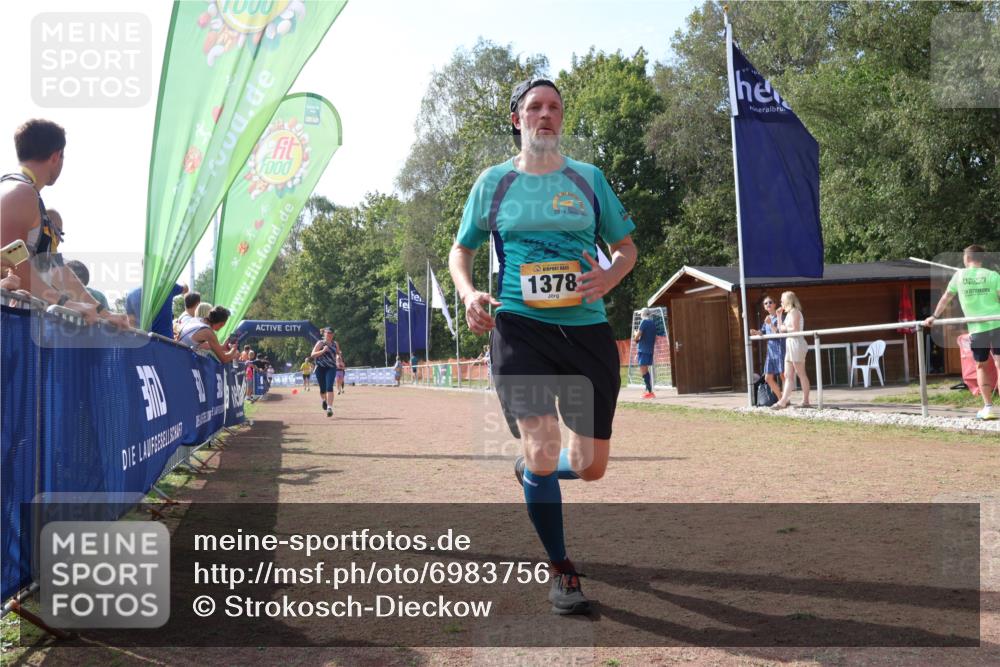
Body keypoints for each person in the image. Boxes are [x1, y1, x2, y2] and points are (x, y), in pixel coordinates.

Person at [448, 76, 637, 615]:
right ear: (518, 119)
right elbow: (461, 252)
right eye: (535, 107)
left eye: (554, 107)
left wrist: (610, 277)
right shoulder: (494, 183)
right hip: (519, 327)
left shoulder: (589, 179)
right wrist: (467, 295)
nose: (546, 114)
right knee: (543, 442)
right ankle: (562, 570)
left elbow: (625, 248)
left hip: (585, 330)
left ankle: (534, 473)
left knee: (591, 465)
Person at [0, 120, 125, 327]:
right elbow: (12, 263)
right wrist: (66, 303)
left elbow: (58, 271)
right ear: (56, 156)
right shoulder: (20, 193)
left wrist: (102, 312)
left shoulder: (27, 195)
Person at [924, 244, 1000, 420]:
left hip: (977, 328)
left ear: (966, 259)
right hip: (997, 323)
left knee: (981, 366)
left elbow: (946, 298)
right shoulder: (993, 275)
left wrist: (934, 316)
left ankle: (988, 407)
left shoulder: (959, 276)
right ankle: (989, 407)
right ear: (981, 259)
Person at [772, 291, 810, 409]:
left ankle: (806, 400)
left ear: (788, 301)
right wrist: (778, 316)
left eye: (782, 301)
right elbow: (780, 329)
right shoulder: (788, 314)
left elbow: (795, 329)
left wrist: (784, 328)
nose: (780, 303)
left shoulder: (794, 312)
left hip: (796, 343)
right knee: (788, 374)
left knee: (800, 373)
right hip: (790, 343)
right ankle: (783, 401)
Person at [749, 295, 785, 401]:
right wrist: (756, 332)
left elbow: (778, 332)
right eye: (766, 303)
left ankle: (784, 400)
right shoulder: (767, 320)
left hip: (780, 349)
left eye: (770, 302)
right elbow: (762, 331)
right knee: (768, 378)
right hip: (771, 351)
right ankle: (781, 398)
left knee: (783, 375)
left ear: (774, 304)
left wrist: (770, 324)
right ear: (764, 307)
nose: (768, 304)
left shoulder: (780, 317)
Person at [310, 327, 338, 417]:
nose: (329, 335)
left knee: (329, 386)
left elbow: (337, 353)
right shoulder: (320, 343)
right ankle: (324, 401)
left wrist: (339, 359)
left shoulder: (335, 344)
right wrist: (323, 350)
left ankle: (329, 408)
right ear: (324, 334)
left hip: (331, 367)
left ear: (333, 335)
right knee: (323, 389)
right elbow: (312, 355)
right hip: (320, 368)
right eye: (327, 333)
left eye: (331, 333)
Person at [632, 308, 658, 399]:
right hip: (649, 350)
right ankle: (648, 390)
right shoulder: (652, 323)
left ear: (643, 314)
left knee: (643, 371)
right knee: (645, 370)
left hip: (643, 350)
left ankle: (650, 391)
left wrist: (635, 335)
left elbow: (637, 337)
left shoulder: (644, 322)